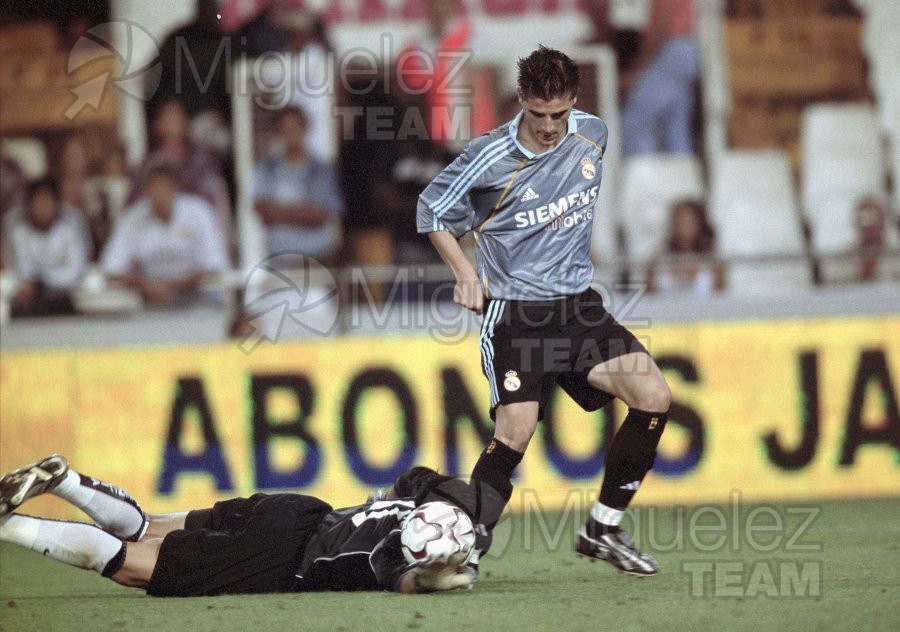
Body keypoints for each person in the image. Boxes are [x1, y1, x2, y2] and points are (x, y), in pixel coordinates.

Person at [417, 46, 671, 576]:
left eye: (559, 114)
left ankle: (602, 528)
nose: (551, 127)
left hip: (578, 307)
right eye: (538, 115)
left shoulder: (593, 134)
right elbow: (432, 209)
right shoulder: (490, 156)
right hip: (516, 314)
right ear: (521, 104)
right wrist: (465, 272)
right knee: (516, 430)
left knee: (653, 396)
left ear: (574, 103)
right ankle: (465, 548)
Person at [0, 457, 492, 596]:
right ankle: (9, 528)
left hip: (300, 510)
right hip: (283, 560)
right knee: (136, 567)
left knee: (147, 527)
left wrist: (455, 520)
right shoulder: (395, 555)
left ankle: (69, 481)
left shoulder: (429, 500)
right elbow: (404, 578)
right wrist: (440, 577)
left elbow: (419, 479)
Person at [101, 158, 228, 306]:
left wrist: (173, 286)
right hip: (151, 305)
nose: (159, 192)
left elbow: (213, 266)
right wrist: (146, 286)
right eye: (153, 186)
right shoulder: (132, 218)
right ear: (145, 190)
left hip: (199, 303)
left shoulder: (199, 212)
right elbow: (112, 269)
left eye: (165, 186)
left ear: (176, 186)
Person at [253, 105, 344, 261]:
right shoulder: (267, 168)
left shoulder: (321, 169)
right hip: (278, 259)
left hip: (316, 257)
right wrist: (303, 211)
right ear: (278, 131)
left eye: (294, 127)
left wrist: (279, 212)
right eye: (285, 128)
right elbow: (261, 209)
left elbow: (321, 214)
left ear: (304, 129)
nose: (290, 133)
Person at [619, 0, 700, 155]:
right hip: (687, 48)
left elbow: (663, 18)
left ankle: (644, 175)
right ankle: (683, 176)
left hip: (669, 50)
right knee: (675, 127)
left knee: (633, 124)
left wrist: (641, 63)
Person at [4, 177, 91, 316]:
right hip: (27, 304)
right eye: (37, 201)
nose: (42, 207)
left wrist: (42, 283)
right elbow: (21, 273)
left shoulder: (69, 228)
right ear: (28, 205)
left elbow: (76, 271)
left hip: (66, 299)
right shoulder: (19, 233)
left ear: (57, 204)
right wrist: (33, 285)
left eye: (47, 201)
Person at [646, 199, 724, 295]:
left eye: (689, 221)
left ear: (700, 224)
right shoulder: (657, 261)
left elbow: (721, 300)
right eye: (680, 220)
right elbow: (648, 299)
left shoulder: (713, 264)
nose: (684, 226)